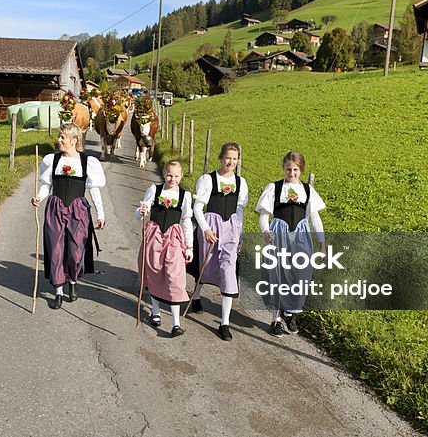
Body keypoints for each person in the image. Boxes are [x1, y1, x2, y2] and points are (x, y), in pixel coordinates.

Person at [31, 123, 106, 309]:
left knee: (76, 250)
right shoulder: (52, 160)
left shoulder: (87, 162)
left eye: (63, 137)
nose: (59, 140)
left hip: (78, 209)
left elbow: (94, 190)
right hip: (55, 207)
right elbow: (46, 185)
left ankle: (72, 281)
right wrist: (39, 198)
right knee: (55, 249)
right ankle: (58, 291)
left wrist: (100, 213)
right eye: (59, 136)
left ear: (74, 140)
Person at [254, 151, 326, 337]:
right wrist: (265, 231)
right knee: (277, 275)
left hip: (301, 236)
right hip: (279, 234)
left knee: (301, 274)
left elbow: (315, 217)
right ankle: (275, 319)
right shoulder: (275, 188)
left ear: (301, 170)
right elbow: (264, 215)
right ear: (283, 168)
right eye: (288, 169)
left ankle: (291, 312)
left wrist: (322, 242)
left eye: (295, 169)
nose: (291, 173)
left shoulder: (307, 190)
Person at [189, 142, 248, 341]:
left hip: (231, 227)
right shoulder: (207, 180)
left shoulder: (241, 183)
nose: (230, 162)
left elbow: (240, 210)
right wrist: (205, 229)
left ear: (238, 160)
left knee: (228, 270)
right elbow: (198, 208)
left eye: (234, 158)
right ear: (221, 158)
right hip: (211, 225)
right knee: (207, 265)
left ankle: (224, 323)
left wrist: (239, 233)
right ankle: (196, 296)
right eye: (227, 158)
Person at [136, 160, 194, 337]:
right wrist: (142, 210)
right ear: (164, 174)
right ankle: (155, 312)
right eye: (169, 175)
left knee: (175, 277)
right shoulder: (155, 190)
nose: (172, 179)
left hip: (174, 238)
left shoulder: (185, 196)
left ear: (181, 176)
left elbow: (186, 221)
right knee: (155, 272)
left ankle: (176, 323)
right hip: (154, 236)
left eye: (176, 176)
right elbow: (140, 211)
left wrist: (189, 247)